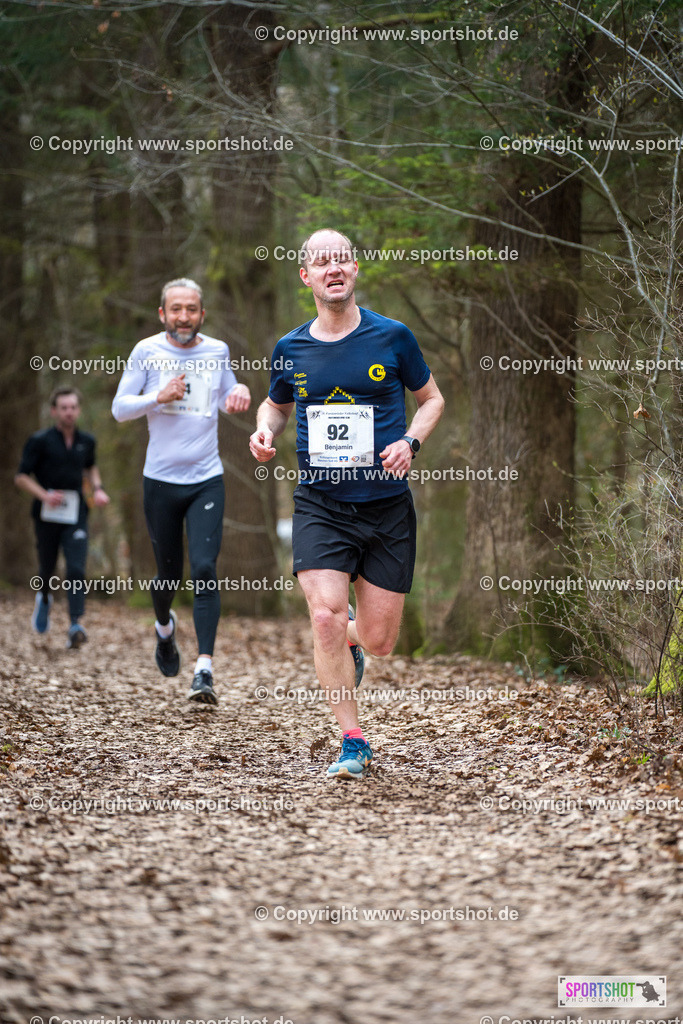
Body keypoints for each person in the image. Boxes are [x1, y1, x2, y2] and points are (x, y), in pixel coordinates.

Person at [250, 229, 444, 780]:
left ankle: (355, 641)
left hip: (385, 506)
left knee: (380, 641)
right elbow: (275, 403)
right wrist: (265, 431)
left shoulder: (393, 337)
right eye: (320, 262)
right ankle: (352, 740)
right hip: (321, 503)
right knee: (325, 616)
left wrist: (411, 442)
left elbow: (432, 400)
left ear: (354, 270)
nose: (333, 269)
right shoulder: (291, 348)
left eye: (342, 260)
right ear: (306, 276)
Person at [112, 277, 250, 705]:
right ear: (163, 314)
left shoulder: (217, 351)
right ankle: (164, 629)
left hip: (206, 477)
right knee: (167, 577)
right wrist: (158, 395)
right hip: (160, 482)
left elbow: (229, 393)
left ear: (202, 314)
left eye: (191, 309)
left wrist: (240, 391)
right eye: (176, 309)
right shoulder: (147, 351)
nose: (184, 317)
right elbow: (119, 408)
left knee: (205, 568)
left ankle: (204, 670)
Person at [15, 386, 110, 648]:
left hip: (76, 510)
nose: (69, 412)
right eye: (63, 408)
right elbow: (21, 476)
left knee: (77, 567)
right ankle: (44, 597)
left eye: (73, 407)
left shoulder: (87, 441)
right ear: (54, 411)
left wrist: (98, 489)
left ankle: (75, 623)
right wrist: (44, 495)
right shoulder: (40, 441)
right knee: (47, 568)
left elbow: (90, 466)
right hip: (47, 513)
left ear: (78, 410)